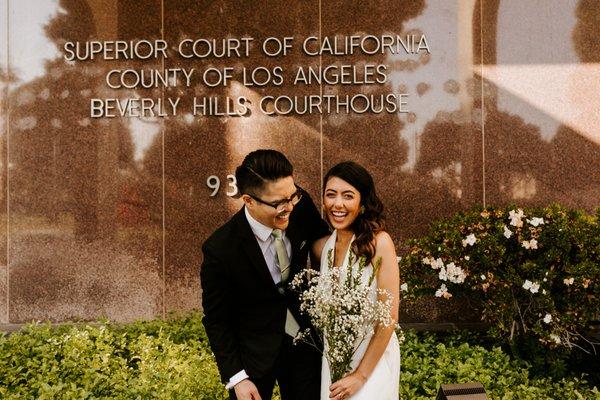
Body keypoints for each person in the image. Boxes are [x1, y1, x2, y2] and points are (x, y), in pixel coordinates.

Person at [200, 149, 330, 400]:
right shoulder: (220, 249)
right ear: (248, 200)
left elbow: (321, 238)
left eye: (292, 196)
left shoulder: (298, 205)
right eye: (278, 203)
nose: (289, 207)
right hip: (253, 354)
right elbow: (216, 320)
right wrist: (237, 378)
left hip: (303, 341)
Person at [312, 161, 400, 400]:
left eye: (348, 196)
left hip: (373, 363)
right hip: (334, 361)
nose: (337, 204)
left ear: (362, 203)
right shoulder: (326, 248)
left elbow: (389, 317)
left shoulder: (379, 243)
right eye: (331, 195)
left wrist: (360, 375)